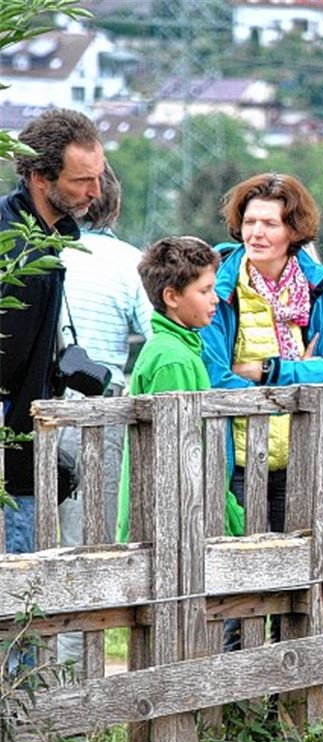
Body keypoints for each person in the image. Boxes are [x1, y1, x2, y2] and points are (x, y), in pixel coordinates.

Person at [200, 172, 323, 651]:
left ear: (293, 230)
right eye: (249, 221)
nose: (256, 233)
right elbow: (217, 374)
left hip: (302, 456)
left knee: (297, 584)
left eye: (270, 222)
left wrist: (269, 370)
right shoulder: (222, 283)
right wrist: (303, 367)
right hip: (240, 460)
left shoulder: (317, 283)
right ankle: (235, 712)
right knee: (244, 585)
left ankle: (281, 707)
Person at [1, 109, 103, 556]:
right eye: (82, 180)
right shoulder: (19, 256)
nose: (95, 192)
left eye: (98, 177)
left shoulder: (37, 235)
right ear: (40, 177)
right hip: (12, 454)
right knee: (19, 593)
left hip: (24, 446)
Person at [115, 236, 244, 542]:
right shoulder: (174, 360)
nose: (215, 299)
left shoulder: (178, 349)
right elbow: (182, 458)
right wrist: (226, 514)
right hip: (177, 528)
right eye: (205, 290)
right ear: (171, 297)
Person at [58, 162, 151, 547]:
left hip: (34, 396)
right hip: (99, 404)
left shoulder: (43, 250)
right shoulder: (131, 262)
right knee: (92, 533)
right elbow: (158, 330)